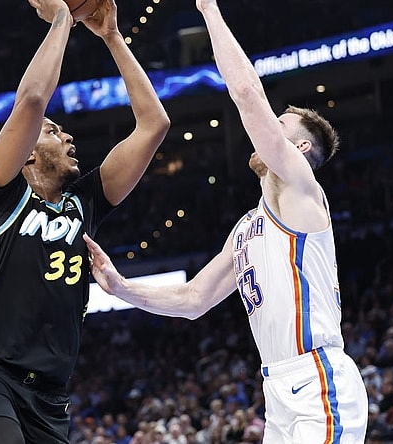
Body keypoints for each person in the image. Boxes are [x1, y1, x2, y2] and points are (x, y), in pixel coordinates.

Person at [83, 0, 368, 441]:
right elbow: (194, 298)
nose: (266, 130)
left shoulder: (302, 189)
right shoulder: (245, 230)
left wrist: (208, 8)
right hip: (277, 389)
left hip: (319, 380)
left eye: (278, 125)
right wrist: (121, 288)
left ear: (300, 150)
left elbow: (247, 94)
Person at [0, 0, 170, 442]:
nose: (68, 136)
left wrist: (112, 38)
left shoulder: (86, 202)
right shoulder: (0, 192)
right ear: (26, 154)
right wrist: (64, 16)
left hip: (51, 395)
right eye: (53, 131)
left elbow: (154, 124)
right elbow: (33, 99)